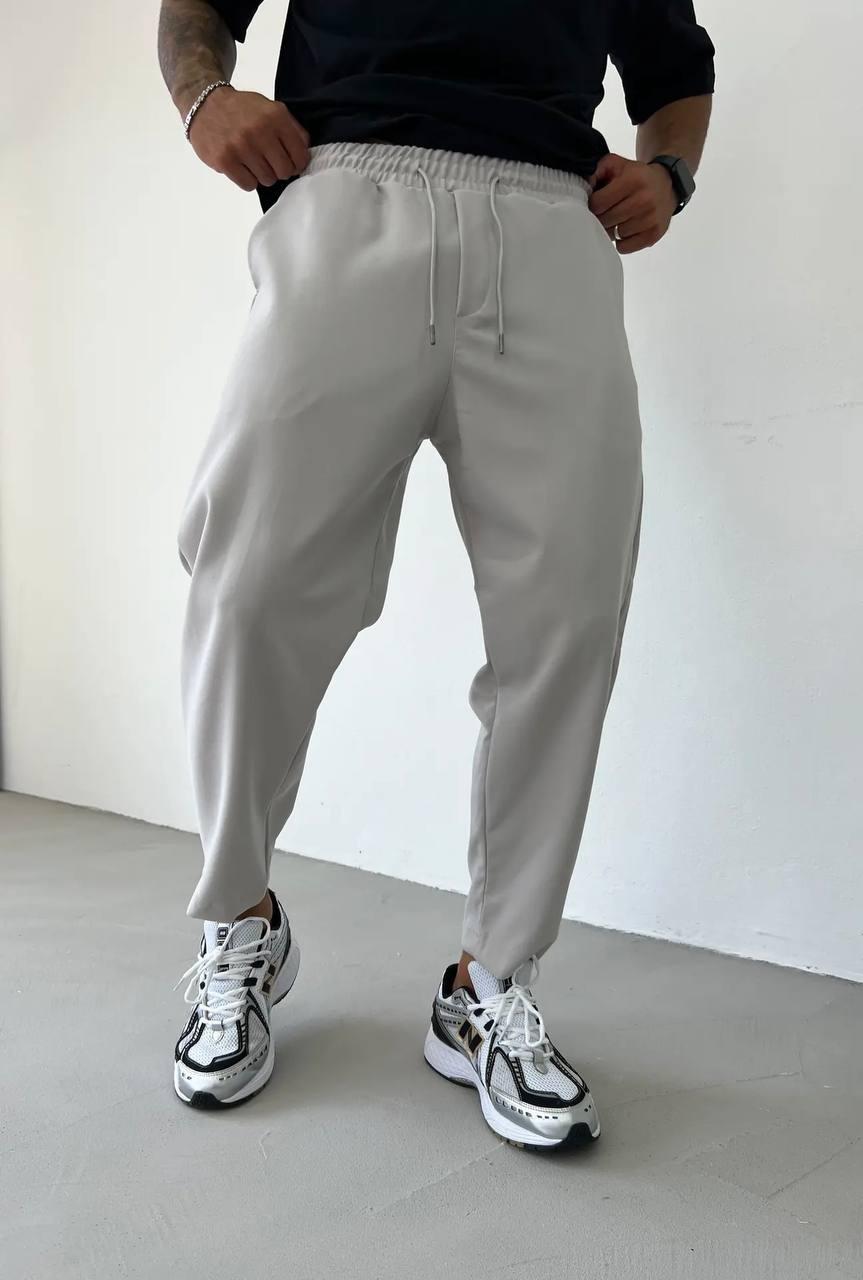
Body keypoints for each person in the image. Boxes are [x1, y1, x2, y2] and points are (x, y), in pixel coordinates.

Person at [159, 0, 714, 1148]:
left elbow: (674, 67)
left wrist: (667, 174)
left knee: (566, 614)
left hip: (551, 219)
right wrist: (202, 97)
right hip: (343, 192)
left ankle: (489, 979)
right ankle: (238, 918)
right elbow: (196, 9)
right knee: (247, 580)